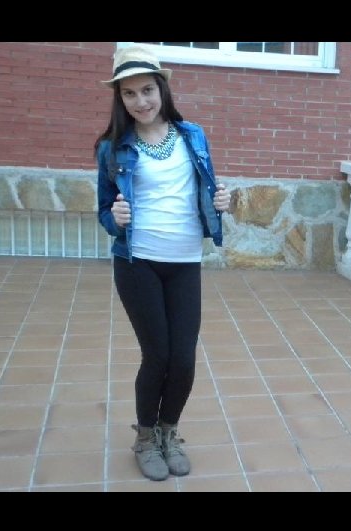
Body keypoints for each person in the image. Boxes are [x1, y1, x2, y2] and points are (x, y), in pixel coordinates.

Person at [94, 45, 231, 481]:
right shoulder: (112, 147)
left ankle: (169, 432)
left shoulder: (193, 136)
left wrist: (220, 203)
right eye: (129, 93)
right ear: (120, 98)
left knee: (184, 358)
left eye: (147, 90)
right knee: (157, 355)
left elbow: (207, 190)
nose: (141, 101)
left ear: (162, 89)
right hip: (138, 262)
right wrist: (113, 219)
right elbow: (103, 210)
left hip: (185, 259)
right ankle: (145, 438)